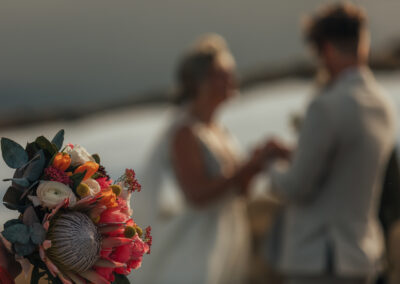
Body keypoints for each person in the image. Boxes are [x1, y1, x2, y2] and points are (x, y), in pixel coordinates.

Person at [263, 3, 397, 284]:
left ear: (325, 49)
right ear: (363, 42)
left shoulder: (326, 107)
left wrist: (270, 162)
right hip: (361, 255)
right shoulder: (382, 105)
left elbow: (297, 186)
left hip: (320, 258)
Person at [131, 34, 273, 284]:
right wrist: (245, 168)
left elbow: (238, 190)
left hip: (225, 236)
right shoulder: (184, 131)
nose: (232, 78)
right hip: (194, 244)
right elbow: (196, 194)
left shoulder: (218, 130)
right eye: (223, 72)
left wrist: (257, 164)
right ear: (201, 82)